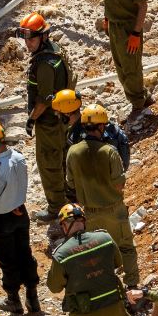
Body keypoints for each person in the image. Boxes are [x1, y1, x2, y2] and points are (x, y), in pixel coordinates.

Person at [64, 105, 139, 285]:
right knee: (126, 248)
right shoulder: (109, 151)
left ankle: (104, 286)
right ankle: (132, 286)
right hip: (114, 210)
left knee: (96, 252)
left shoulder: (73, 152)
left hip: (89, 213)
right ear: (101, 126)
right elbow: (119, 184)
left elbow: (70, 183)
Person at [0, 122, 40, 314]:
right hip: (20, 213)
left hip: (1, 220)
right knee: (25, 254)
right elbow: (10, 176)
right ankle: (32, 298)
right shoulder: (18, 157)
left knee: (7, 261)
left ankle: (13, 300)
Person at [19, 12, 74, 220]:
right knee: (63, 158)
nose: (28, 43)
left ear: (43, 36)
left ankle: (56, 207)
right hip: (62, 116)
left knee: (49, 165)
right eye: (25, 38)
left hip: (49, 122)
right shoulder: (55, 51)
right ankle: (70, 195)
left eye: (31, 39)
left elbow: (43, 99)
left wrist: (32, 119)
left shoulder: (43, 64)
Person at [95, 0, 152, 112]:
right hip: (114, 27)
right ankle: (142, 98)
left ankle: (139, 106)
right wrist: (107, 19)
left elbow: (142, 6)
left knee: (131, 69)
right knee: (121, 68)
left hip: (128, 29)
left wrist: (135, 33)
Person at [57, 90, 130, 170]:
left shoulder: (77, 133)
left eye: (60, 113)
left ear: (67, 114)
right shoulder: (95, 121)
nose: (59, 117)